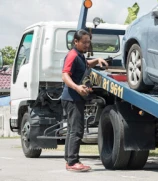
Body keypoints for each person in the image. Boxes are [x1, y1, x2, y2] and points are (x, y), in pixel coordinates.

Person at [61, 29, 108, 172]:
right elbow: (65, 75)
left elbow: (86, 64)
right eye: (84, 42)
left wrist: (97, 60)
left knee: (72, 130)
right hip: (72, 97)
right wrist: (77, 87)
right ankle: (73, 162)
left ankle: (69, 160)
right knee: (76, 130)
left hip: (74, 98)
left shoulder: (80, 56)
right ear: (76, 42)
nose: (87, 45)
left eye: (89, 42)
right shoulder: (72, 55)